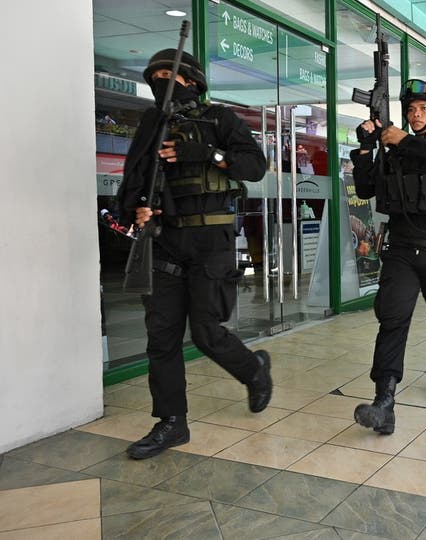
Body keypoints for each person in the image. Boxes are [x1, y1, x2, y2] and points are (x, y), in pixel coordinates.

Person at [115, 49, 272, 460]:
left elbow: (255, 166)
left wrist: (207, 154)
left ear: (192, 82)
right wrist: (137, 209)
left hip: (210, 241)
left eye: (170, 76)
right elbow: (133, 177)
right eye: (156, 77)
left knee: (206, 332)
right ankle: (172, 422)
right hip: (164, 239)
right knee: (161, 337)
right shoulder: (152, 123)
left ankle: (254, 370)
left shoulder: (220, 119)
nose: (162, 82)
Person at [350, 79, 426, 435]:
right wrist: (365, 149)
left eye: (422, 109)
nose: (415, 115)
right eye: (411, 110)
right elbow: (366, 188)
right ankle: (384, 401)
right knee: (392, 320)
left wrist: (402, 139)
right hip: (401, 250)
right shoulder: (396, 151)